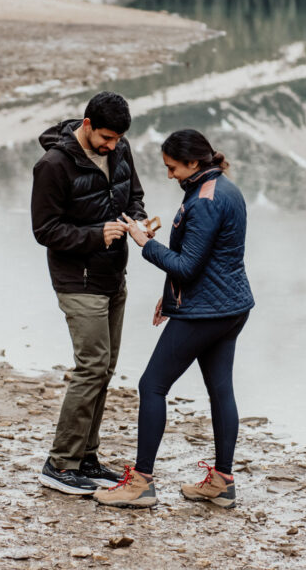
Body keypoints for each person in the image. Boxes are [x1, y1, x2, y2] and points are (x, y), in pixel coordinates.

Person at [95, 128, 254, 510]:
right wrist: (169, 299)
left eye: (173, 168)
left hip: (205, 313)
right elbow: (210, 262)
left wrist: (143, 242)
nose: (170, 175)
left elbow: (187, 266)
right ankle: (222, 483)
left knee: (152, 385)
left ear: (194, 163)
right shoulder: (224, 187)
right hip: (231, 307)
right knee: (221, 391)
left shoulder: (204, 201)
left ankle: (142, 483)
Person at [31, 91, 149, 495]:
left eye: (117, 140)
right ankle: (60, 463)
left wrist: (137, 224)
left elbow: (134, 195)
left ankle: (86, 457)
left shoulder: (121, 147)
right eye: (105, 139)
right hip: (77, 279)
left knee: (105, 368)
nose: (112, 146)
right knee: (91, 367)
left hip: (114, 275)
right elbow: (44, 230)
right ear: (86, 125)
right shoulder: (52, 165)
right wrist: (95, 235)